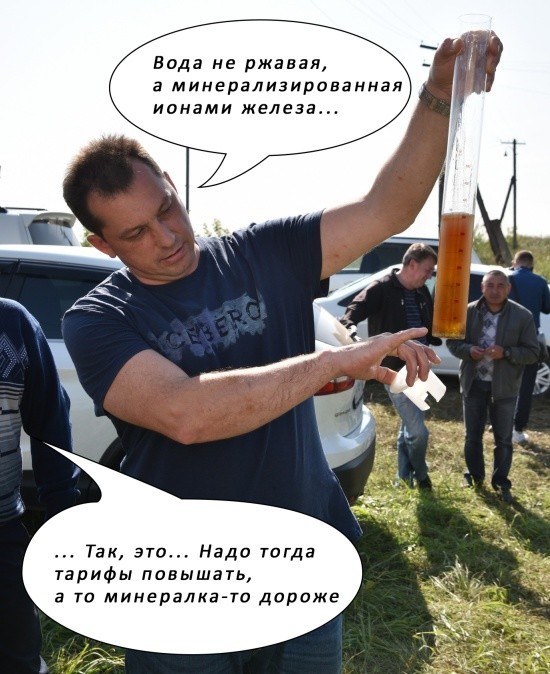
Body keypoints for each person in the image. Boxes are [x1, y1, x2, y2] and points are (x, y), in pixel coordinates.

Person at [60, 32, 502, 674]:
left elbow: (387, 206)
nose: (168, 236)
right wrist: (331, 363)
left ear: (172, 186)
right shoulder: (99, 319)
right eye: (136, 233)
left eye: (168, 209)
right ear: (103, 245)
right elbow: (187, 414)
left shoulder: (264, 253)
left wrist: (437, 96)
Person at [0, 299, 80, 674]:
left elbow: (51, 427)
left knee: (17, 657)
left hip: (2, 534)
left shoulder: (12, 323)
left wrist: (63, 520)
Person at [340, 244, 440, 490]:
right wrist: (354, 338)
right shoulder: (381, 288)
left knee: (410, 425)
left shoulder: (420, 291)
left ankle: (402, 478)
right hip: (396, 371)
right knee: (418, 432)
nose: (430, 276)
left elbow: (428, 321)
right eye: (427, 270)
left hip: (423, 367)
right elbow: (351, 315)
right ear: (412, 264)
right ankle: (422, 475)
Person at [447, 270, 538, 503]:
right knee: (472, 436)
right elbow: (453, 342)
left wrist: (506, 352)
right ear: (482, 288)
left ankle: (501, 482)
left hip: (505, 388)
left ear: (508, 288)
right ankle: (474, 477)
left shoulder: (522, 315)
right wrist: (469, 350)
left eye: (500, 285)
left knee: (504, 440)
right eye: (490, 285)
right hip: (474, 383)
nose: (495, 290)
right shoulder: (468, 311)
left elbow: (532, 353)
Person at [508, 250, 550, 444]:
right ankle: (517, 429)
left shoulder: (506, 277)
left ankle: (501, 421)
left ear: (515, 262)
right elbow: (547, 308)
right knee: (525, 386)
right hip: (530, 338)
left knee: (503, 381)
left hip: (507, 337)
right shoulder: (540, 281)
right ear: (531, 264)